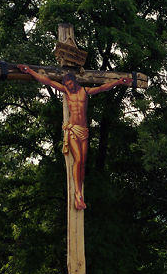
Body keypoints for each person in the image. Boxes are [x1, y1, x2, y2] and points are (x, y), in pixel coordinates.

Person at [17, 64, 131, 210]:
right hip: (72, 130)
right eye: (67, 85)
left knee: (83, 162)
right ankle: (77, 195)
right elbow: (47, 81)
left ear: (74, 82)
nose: (69, 87)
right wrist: (30, 71)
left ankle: (79, 192)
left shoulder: (85, 91)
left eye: (70, 84)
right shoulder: (66, 91)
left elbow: (103, 88)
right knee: (77, 159)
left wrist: (119, 82)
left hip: (83, 130)